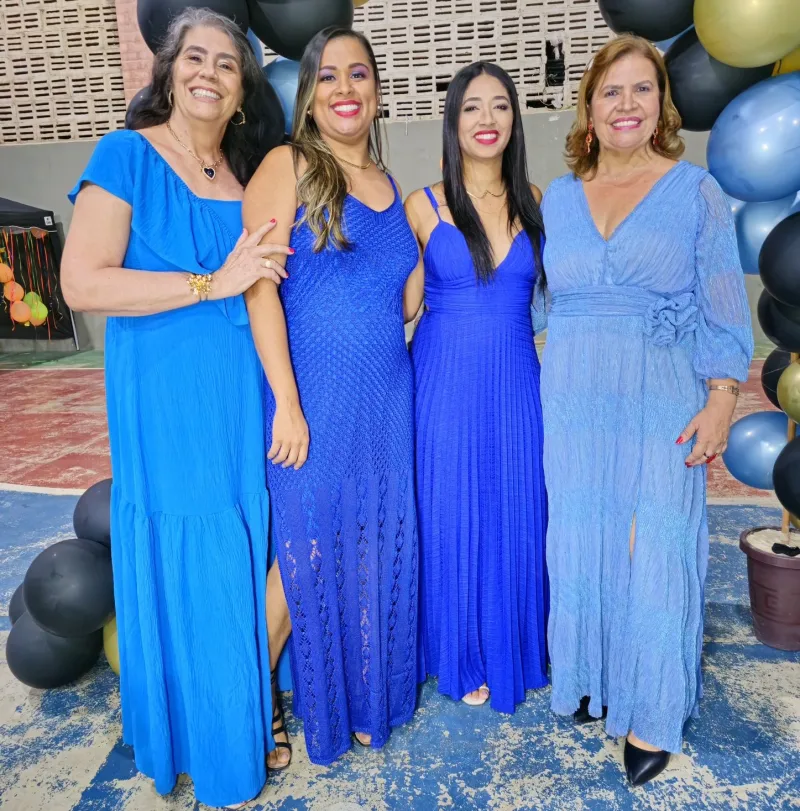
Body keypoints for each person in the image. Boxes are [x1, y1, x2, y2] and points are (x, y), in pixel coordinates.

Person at [61, 9, 292, 808]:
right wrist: (206, 283)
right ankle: (199, 732)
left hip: (239, 394)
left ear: (241, 92)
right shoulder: (126, 154)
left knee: (241, 545)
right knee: (188, 545)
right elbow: (82, 283)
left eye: (228, 66)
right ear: (168, 71)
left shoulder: (243, 174)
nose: (209, 73)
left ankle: (240, 713)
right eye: (195, 58)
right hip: (166, 398)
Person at [540, 34, 753, 786]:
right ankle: (599, 672)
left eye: (642, 89)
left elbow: (725, 301)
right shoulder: (560, 197)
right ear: (588, 110)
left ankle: (652, 710)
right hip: (573, 398)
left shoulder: (693, 190)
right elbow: (547, 300)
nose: (626, 103)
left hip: (662, 389)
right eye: (610, 91)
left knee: (649, 542)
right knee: (584, 537)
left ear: (661, 105)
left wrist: (723, 395)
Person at [242, 26, 419, 766]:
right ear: (308, 95)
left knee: (370, 549)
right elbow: (258, 285)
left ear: (377, 93)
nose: (345, 89)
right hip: (311, 398)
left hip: (386, 400)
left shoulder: (392, 184)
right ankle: (256, 707)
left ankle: (361, 698)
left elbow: (406, 302)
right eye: (329, 77)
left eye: (359, 76)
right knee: (302, 557)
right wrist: (285, 398)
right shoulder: (287, 165)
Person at [403, 62, 548, 712]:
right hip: (444, 381)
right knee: (452, 510)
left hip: (518, 380)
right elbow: (399, 304)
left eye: (499, 107)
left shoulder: (538, 200)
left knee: (518, 505)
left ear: (514, 121)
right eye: (472, 108)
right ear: (452, 122)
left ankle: (512, 643)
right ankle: (458, 652)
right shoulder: (423, 203)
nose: (487, 120)